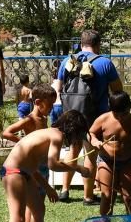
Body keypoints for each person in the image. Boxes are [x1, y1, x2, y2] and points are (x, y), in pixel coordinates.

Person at [0, 110, 92, 222]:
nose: (77, 138)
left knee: (39, 210)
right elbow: (53, 164)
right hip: (13, 172)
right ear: (72, 128)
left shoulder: (50, 133)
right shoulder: (56, 135)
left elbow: (32, 164)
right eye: (78, 133)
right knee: (17, 220)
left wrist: (47, 187)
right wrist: (78, 168)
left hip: (26, 173)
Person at [52, 29, 123, 204]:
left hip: (71, 114)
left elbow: (58, 88)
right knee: (90, 154)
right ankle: (88, 196)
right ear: (98, 44)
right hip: (95, 116)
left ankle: (65, 190)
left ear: (80, 44)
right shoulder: (105, 63)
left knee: (72, 150)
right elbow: (118, 91)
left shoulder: (68, 61)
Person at [1, 84, 57, 222]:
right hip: (30, 169)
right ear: (38, 102)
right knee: (31, 210)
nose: (52, 108)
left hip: (40, 166)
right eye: (50, 104)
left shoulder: (43, 118)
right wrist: (23, 143)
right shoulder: (31, 119)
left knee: (36, 208)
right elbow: (7, 132)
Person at [88, 91, 131, 217]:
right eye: (116, 115)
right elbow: (91, 133)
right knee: (108, 196)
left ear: (130, 107)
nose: (120, 118)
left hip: (127, 162)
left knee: (129, 197)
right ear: (111, 109)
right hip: (106, 161)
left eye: (124, 114)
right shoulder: (103, 119)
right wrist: (94, 140)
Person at [49, 61, 63, 126]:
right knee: (62, 124)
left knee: (53, 125)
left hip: (53, 106)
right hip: (61, 105)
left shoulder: (51, 85)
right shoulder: (62, 84)